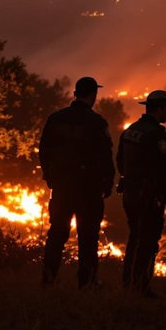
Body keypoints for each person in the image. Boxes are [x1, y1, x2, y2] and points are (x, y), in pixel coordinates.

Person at [38, 76, 116, 288]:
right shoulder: (97, 122)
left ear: (75, 93)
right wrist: (107, 184)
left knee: (57, 233)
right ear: (93, 95)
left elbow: (44, 150)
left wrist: (50, 176)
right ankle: (87, 280)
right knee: (88, 236)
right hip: (88, 188)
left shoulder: (55, 118)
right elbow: (105, 157)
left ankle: (48, 278)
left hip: (62, 186)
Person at [117, 89, 166, 296]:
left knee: (134, 238)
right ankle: (141, 287)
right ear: (159, 109)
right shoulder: (158, 136)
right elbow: (161, 175)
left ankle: (128, 282)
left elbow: (120, 161)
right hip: (148, 197)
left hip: (130, 193)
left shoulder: (131, 130)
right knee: (148, 242)